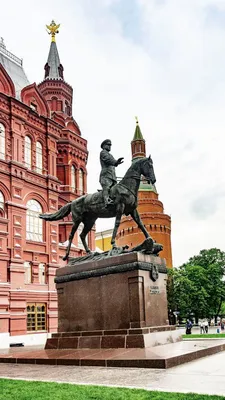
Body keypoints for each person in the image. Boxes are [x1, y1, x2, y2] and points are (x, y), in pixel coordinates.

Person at [99, 139, 124, 207]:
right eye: (108, 145)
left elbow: (113, 162)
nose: (110, 146)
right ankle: (106, 201)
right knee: (106, 187)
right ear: (104, 146)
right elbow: (107, 160)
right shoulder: (103, 152)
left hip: (112, 175)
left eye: (110, 145)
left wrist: (117, 162)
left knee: (115, 190)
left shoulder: (110, 155)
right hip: (106, 175)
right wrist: (116, 162)